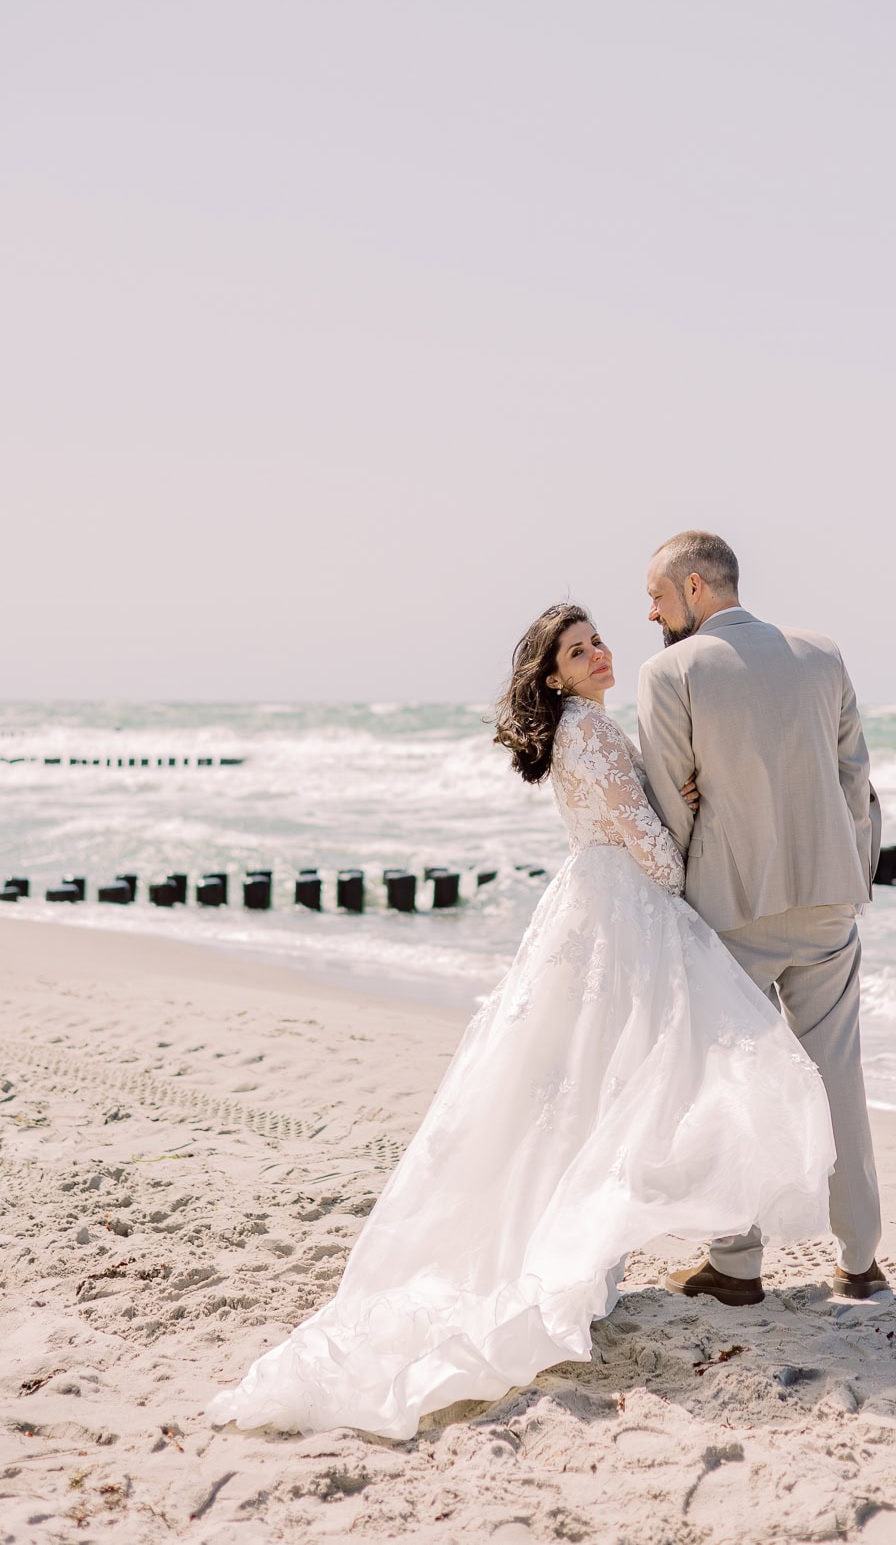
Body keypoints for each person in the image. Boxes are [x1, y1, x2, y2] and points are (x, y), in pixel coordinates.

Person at [207, 603, 835, 1440]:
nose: (599, 653)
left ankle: (601, 1249)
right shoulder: (594, 732)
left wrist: (663, 796)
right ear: (554, 675)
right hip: (621, 916)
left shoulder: (582, 728)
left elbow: (620, 818)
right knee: (630, 1082)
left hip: (590, 912)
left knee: (580, 1088)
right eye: (578, 651)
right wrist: (688, 819)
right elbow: (657, 855)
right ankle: (594, 1253)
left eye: (598, 640)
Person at [637, 532, 886, 1307]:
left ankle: (737, 1263)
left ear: (696, 587)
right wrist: (850, 875)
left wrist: (672, 901)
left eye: (658, 596)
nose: (651, 613)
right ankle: (860, 1259)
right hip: (827, 903)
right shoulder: (822, 653)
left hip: (731, 911)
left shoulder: (669, 671)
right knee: (838, 1076)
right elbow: (856, 781)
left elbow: (668, 802)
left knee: (732, 1085)